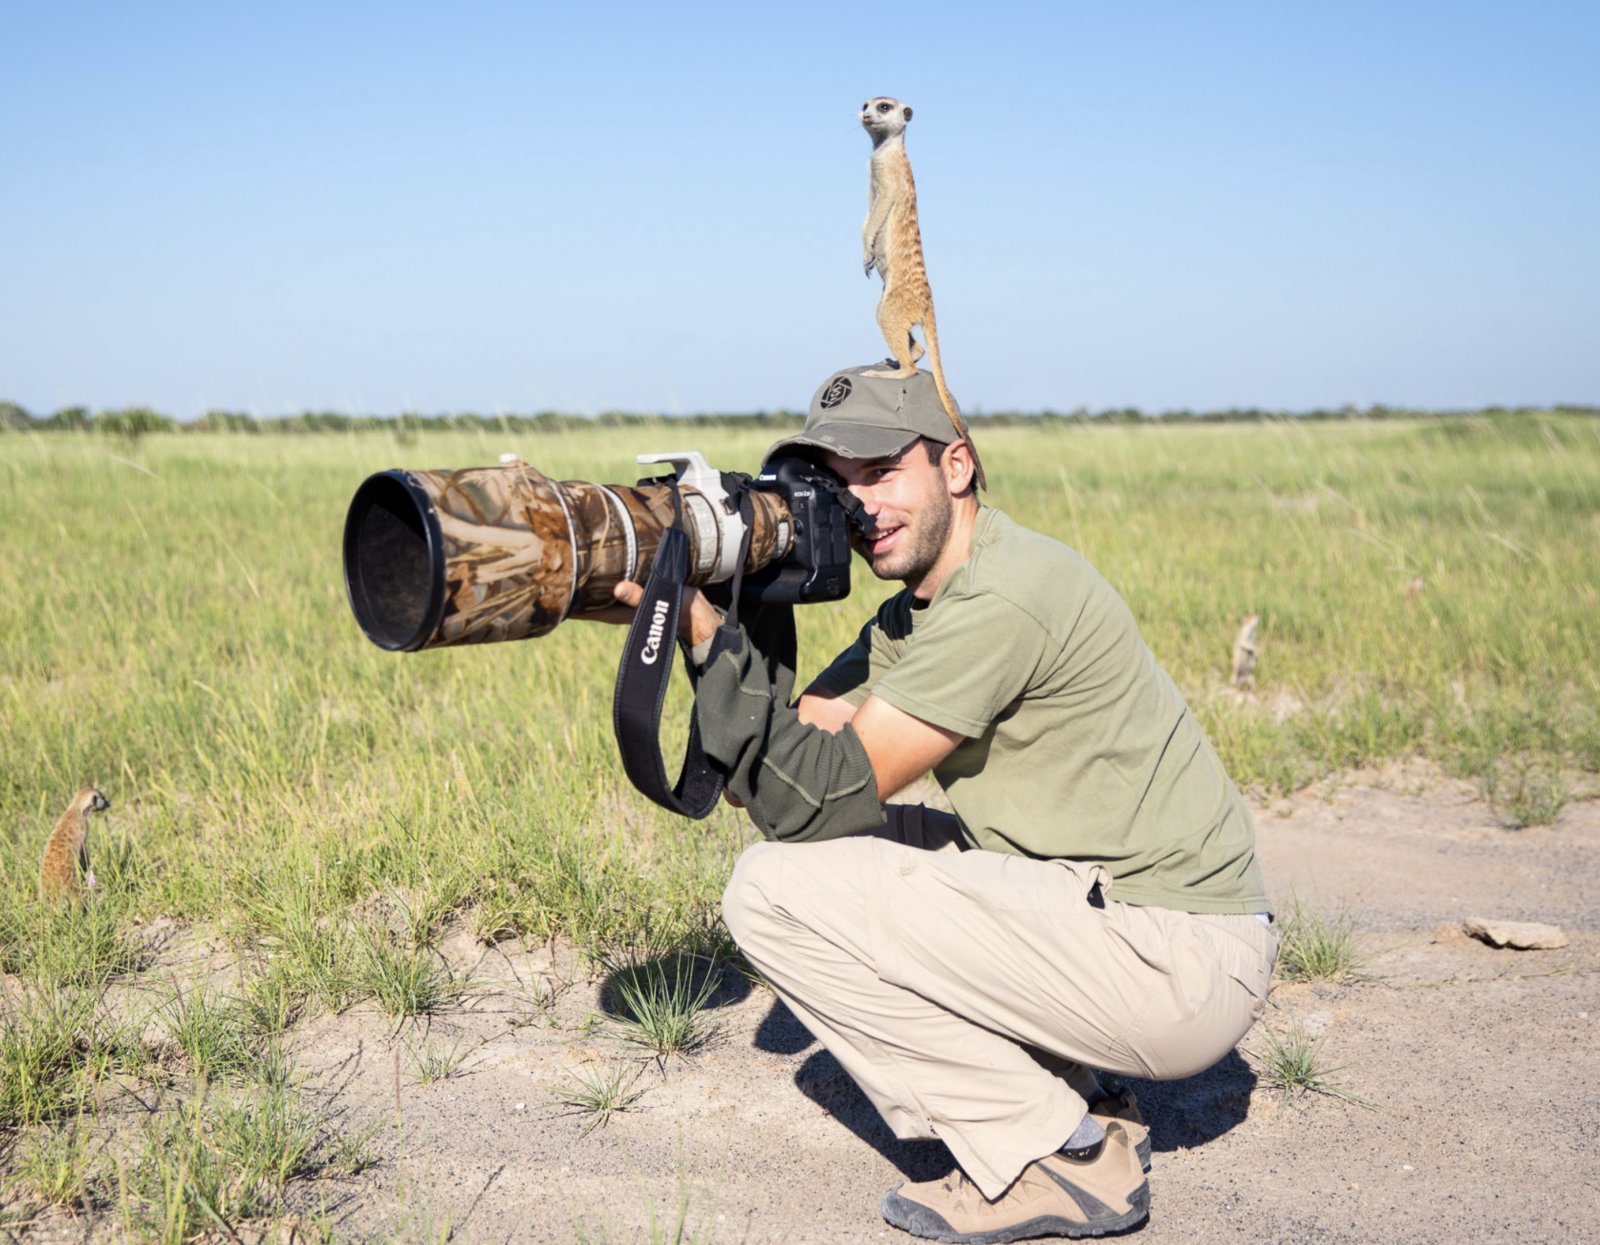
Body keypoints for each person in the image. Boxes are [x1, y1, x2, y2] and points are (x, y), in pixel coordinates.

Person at [613, 362, 1276, 1242]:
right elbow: (771, 780)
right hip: (1114, 913)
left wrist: (706, 638)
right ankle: (1077, 1091)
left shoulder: (1004, 593)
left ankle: (1060, 1158)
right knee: (806, 859)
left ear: (956, 466)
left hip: (1177, 957)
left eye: (882, 469)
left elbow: (807, 799)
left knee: (770, 892)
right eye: (836, 483)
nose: (861, 504)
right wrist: (743, 597)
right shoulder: (913, 615)